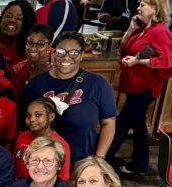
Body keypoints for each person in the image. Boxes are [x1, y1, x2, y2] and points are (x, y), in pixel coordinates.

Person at [18, 32, 117, 165]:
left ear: (81, 55)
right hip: (43, 163)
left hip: (81, 163)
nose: (66, 57)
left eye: (74, 52)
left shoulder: (98, 84)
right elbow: (23, 124)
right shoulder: (36, 84)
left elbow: (108, 123)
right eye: (61, 51)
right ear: (53, 53)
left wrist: (99, 159)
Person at [108, 0, 172, 178]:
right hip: (134, 85)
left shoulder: (160, 31)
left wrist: (138, 62)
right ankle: (140, 164)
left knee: (122, 124)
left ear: (155, 9)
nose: (139, 7)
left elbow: (166, 61)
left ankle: (101, 159)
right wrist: (130, 30)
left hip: (145, 87)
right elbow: (124, 49)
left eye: (144, 5)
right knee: (139, 125)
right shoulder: (142, 29)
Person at [13, 96, 71, 181]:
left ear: (51, 117)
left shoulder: (61, 145)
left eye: (38, 115)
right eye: (28, 115)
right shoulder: (22, 137)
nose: (32, 119)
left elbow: (62, 179)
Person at [0, 0, 36, 73]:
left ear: (26, 24)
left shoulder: (28, 50)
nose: (12, 20)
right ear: (1, 19)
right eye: (8, 16)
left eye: (19, 18)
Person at [5, 23, 54, 100]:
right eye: (30, 42)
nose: (33, 48)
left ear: (50, 45)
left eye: (40, 44)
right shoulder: (18, 70)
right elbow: (16, 101)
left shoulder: (59, 62)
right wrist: (31, 80)